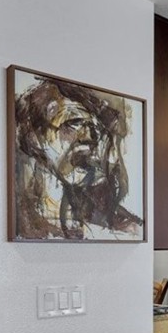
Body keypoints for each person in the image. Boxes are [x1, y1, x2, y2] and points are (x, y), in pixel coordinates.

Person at [12, 75, 142, 240]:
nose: (89, 137)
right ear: (34, 139)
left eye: (94, 129)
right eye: (72, 124)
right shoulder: (25, 228)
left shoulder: (122, 228)